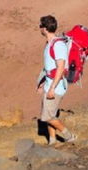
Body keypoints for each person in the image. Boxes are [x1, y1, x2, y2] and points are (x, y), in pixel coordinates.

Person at [37, 15, 77, 145]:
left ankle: (69, 136)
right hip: (50, 83)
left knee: (47, 117)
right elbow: (49, 66)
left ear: (44, 28)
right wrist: (43, 83)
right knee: (51, 114)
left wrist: (53, 88)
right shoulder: (49, 44)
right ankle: (52, 140)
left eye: (40, 26)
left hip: (56, 86)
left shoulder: (58, 44)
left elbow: (60, 67)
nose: (39, 28)